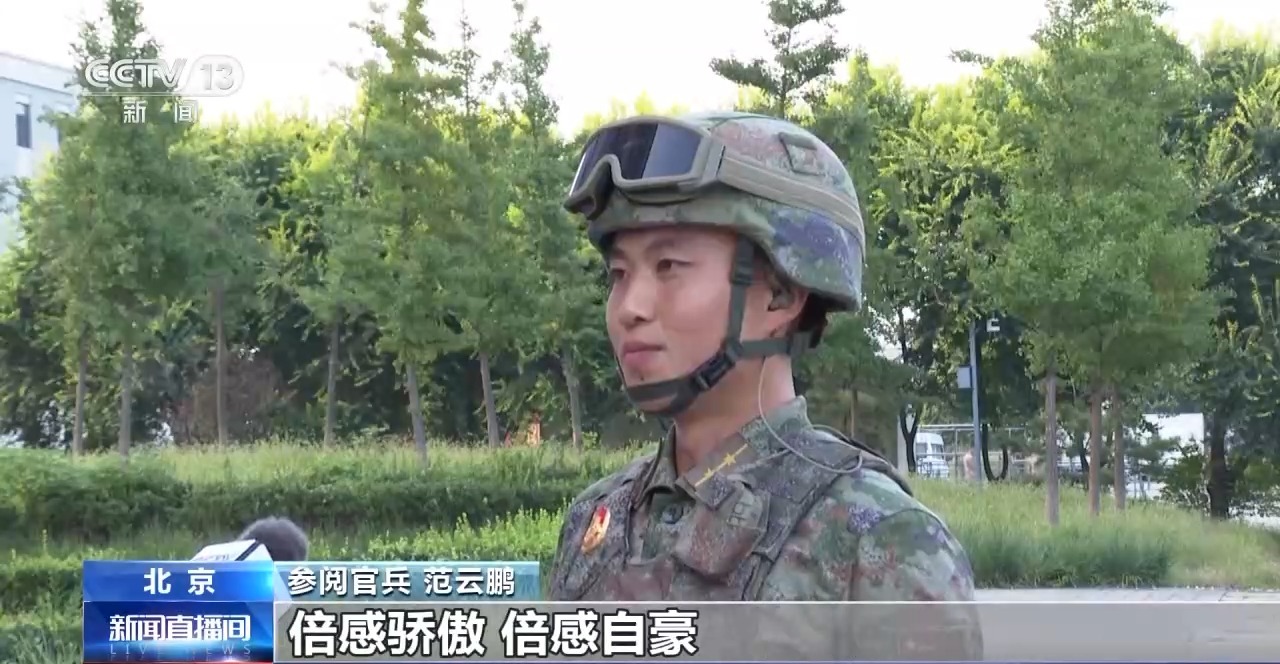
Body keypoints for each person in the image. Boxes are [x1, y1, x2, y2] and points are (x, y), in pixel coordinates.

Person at [547, 111, 983, 659]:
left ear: (781, 294)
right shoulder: (596, 523)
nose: (629, 307)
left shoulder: (877, 538)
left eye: (669, 267)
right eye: (619, 274)